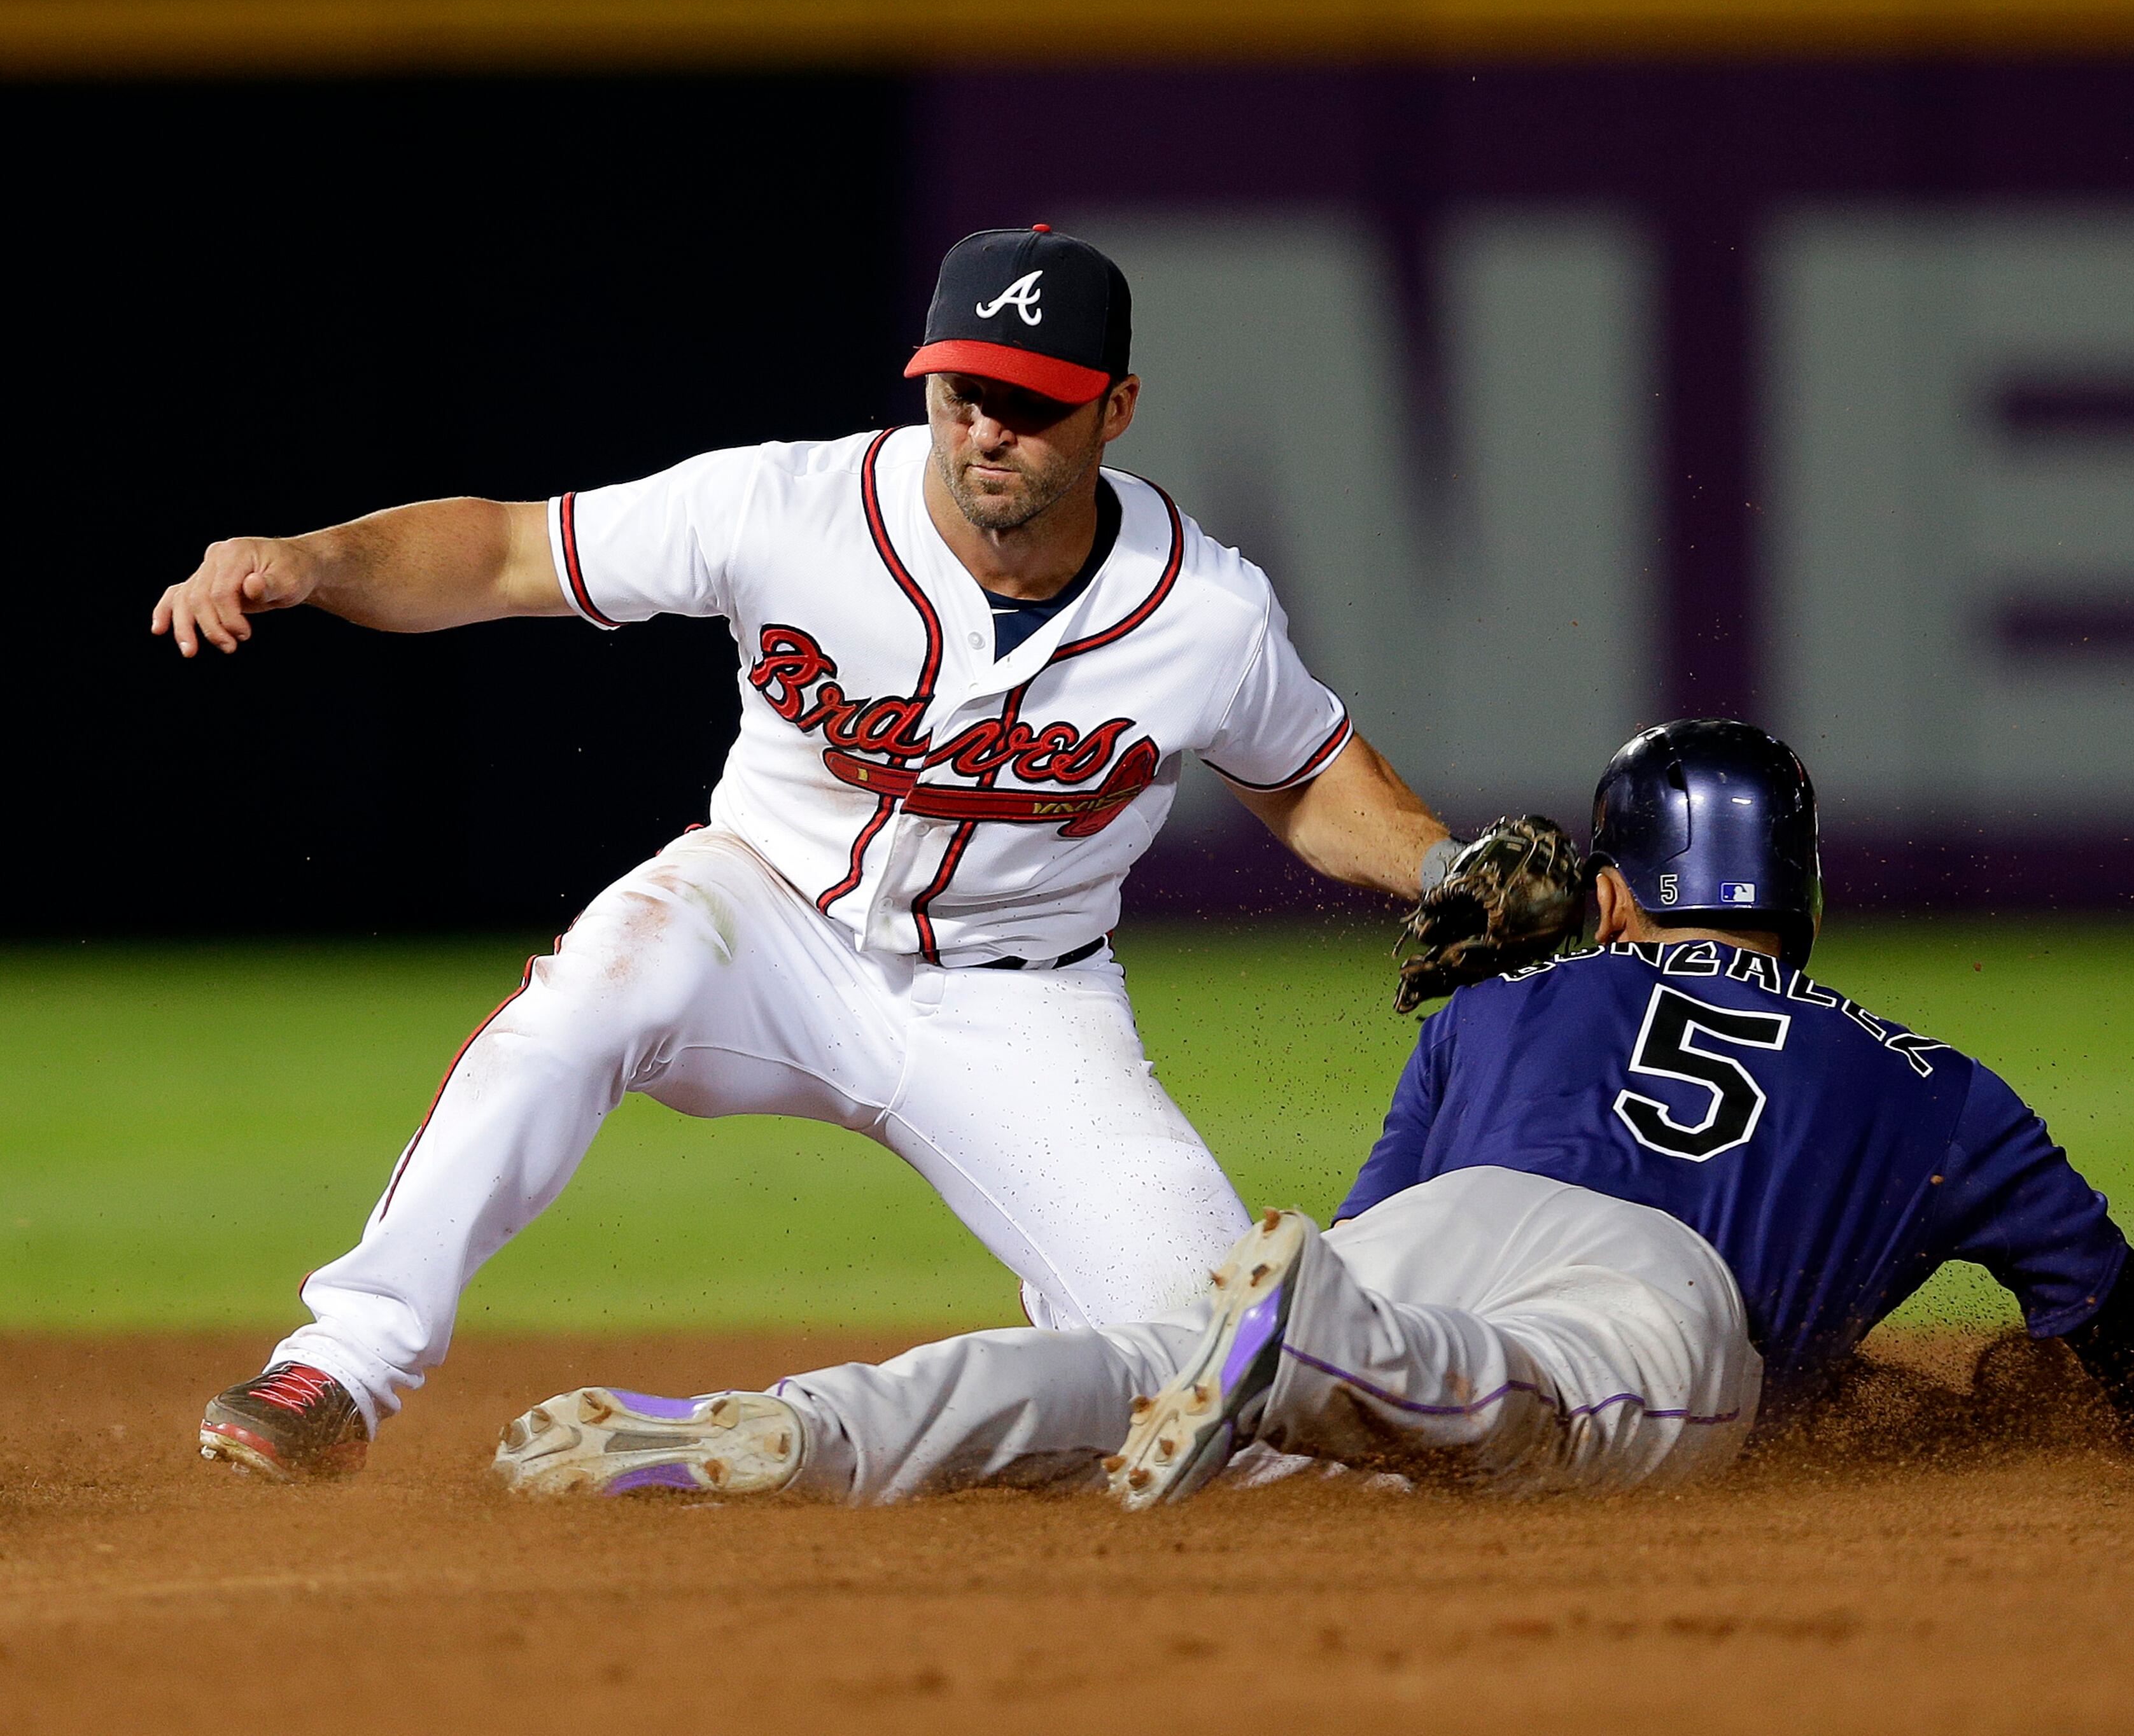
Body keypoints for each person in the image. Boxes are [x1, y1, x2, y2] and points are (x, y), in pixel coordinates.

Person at [153, 225, 1461, 1482]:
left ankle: (936, 1445)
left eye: (1032, 399)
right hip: (762, 916)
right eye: (962, 391)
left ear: (1117, 408)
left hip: (1024, 1000)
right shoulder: (789, 506)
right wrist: (315, 558)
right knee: (600, 988)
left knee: (1220, 1364)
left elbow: (1309, 780)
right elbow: (503, 550)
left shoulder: (1204, 610)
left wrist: (1442, 870)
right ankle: (338, 1366)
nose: (987, 427)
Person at [488, 719, 2134, 1508]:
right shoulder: (1940, 1081)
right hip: (1642, 1308)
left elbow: (1375, 1225)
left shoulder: (1515, 993)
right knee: (1526, 1416)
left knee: (1169, 1367)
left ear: (1617, 891)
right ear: (1805, 897)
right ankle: (1314, 1338)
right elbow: (2120, 1317)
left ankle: (803, 1429)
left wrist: (1313, 1302)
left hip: (1405, 1256)